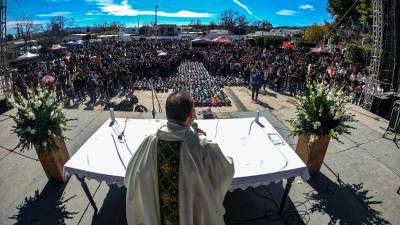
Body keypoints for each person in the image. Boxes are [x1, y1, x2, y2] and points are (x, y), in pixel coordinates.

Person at [124, 91, 234, 225]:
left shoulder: (149, 141)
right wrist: (203, 140)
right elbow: (225, 169)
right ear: (189, 117)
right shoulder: (202, 146)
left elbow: (130, 176)